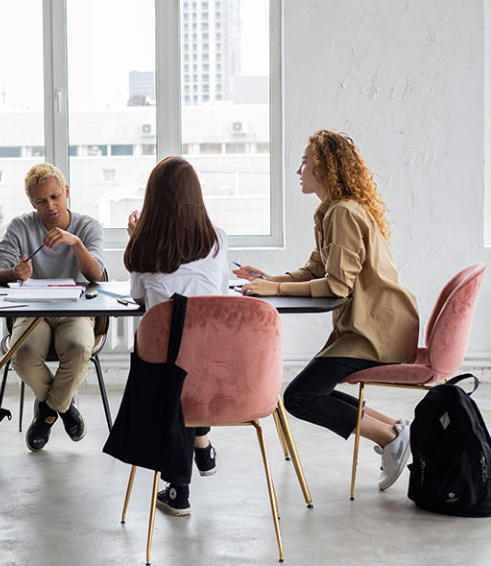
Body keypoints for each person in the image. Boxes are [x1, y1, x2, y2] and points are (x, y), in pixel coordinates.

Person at [235, 130, 419, 491]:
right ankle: (395, 428)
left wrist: (277, 289)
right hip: (369, 327)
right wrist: (270, 278)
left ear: (325, 167)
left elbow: (336, 286)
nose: (299, 170)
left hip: (377, 331)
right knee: (309, 389)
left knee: (299, 397)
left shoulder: (343, 213)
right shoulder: (332, 211)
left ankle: (389, 438)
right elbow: (315, 269)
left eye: (305, 161)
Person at [124, 156, 230, 516]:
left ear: (153, 199)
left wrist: (135, 238)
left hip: (160, 372)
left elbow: (139, 299)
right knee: (192, 361)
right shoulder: (217, 240)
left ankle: (179, 489)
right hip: (214, 365)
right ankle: (201, 441)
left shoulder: (143, 247)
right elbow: (220, 297)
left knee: (175, 367)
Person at [0, 163, 105, 452]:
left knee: (78, 347)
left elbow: (96, 275)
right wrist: (15, 273)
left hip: (75, 309)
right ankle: (65, 406)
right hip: (31, 309)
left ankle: (47, 412)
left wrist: (75, 243)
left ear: (66, 192)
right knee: (23, 354)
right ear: (32, 202)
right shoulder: (20, 226)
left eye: (55, 197)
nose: (50, 206)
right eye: (41, 201)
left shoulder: (87, 226)